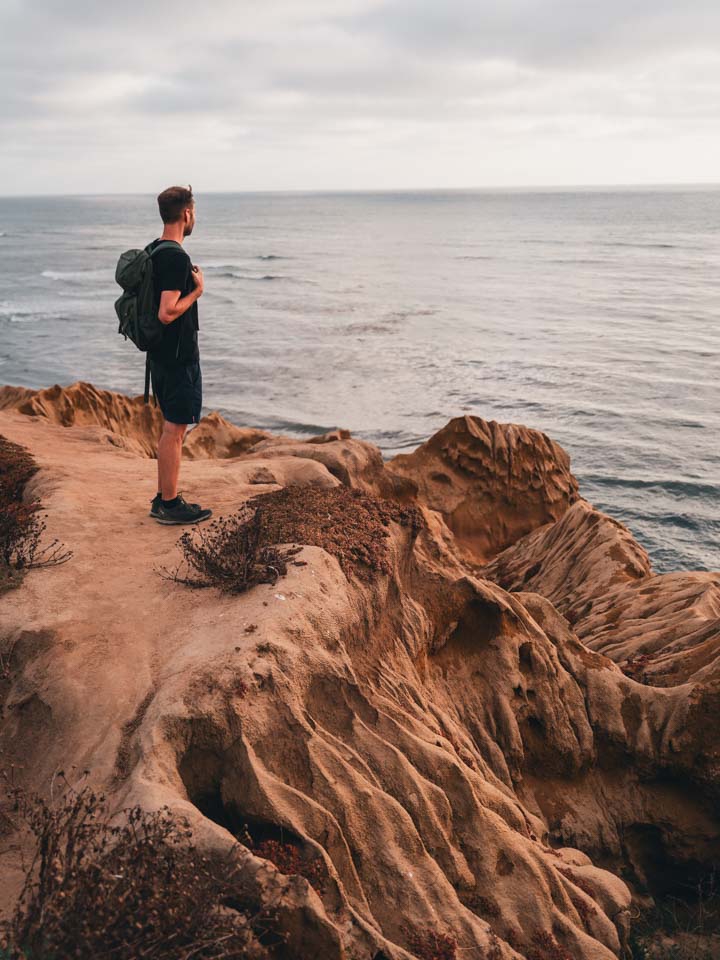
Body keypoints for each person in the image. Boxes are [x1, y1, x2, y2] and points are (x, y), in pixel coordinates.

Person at [147, 185, 212, 524]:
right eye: (194, 212)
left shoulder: (154, 249)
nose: (194, 217)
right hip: (176, 358)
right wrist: (198, 291)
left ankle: (164, 496)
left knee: (171, 427)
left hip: (161, 356)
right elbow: (167, 312)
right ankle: (169, 505)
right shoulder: (175, 256)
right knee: (175, 429)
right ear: (186, 214)